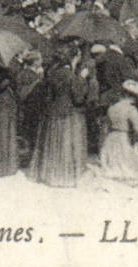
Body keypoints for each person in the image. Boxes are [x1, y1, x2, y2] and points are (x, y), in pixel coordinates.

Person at [30, 42, 96, 187]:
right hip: (68, 114)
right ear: (72, 57)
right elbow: (78, 97)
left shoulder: (53, 73)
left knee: (55, 144)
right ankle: (65, 176)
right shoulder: (70, 75)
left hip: (53, 112)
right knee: (67, 145)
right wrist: (83, 78)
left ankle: (52, 174)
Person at [93, 79, 138, 188]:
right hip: (124, 138)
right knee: (127, 164)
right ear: (132, 97)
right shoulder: (131, 109)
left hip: (111, 137)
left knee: (112, 162)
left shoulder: (112, 107)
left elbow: (106, 127)